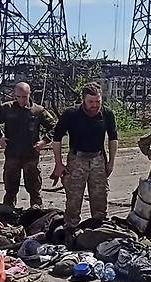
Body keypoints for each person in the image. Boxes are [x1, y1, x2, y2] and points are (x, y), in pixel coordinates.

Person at [51, 82, 119, 233]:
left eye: (97, 101)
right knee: (74, 197)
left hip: (98, 159)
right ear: (83, 100)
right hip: (77, 159)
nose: (94, 105)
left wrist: (111, 162)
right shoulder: (71, 114)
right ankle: (71, 229)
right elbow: (56, 139)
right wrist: (58, 163)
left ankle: (99, 228)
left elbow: (113, 138)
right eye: (90, 102)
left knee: (100, 196)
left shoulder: (107, 113)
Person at [0, 82, 55, 208]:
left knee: (34, 188)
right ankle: (8, 213)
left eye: (24, 97)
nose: (21, 100)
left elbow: (54, 126)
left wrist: (44, 141)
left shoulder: (38, 110)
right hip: (12, 155)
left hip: (31, 155)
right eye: (18, 97)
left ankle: (36, 212)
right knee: (10, 189)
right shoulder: (7, 109)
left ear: (29, 94)